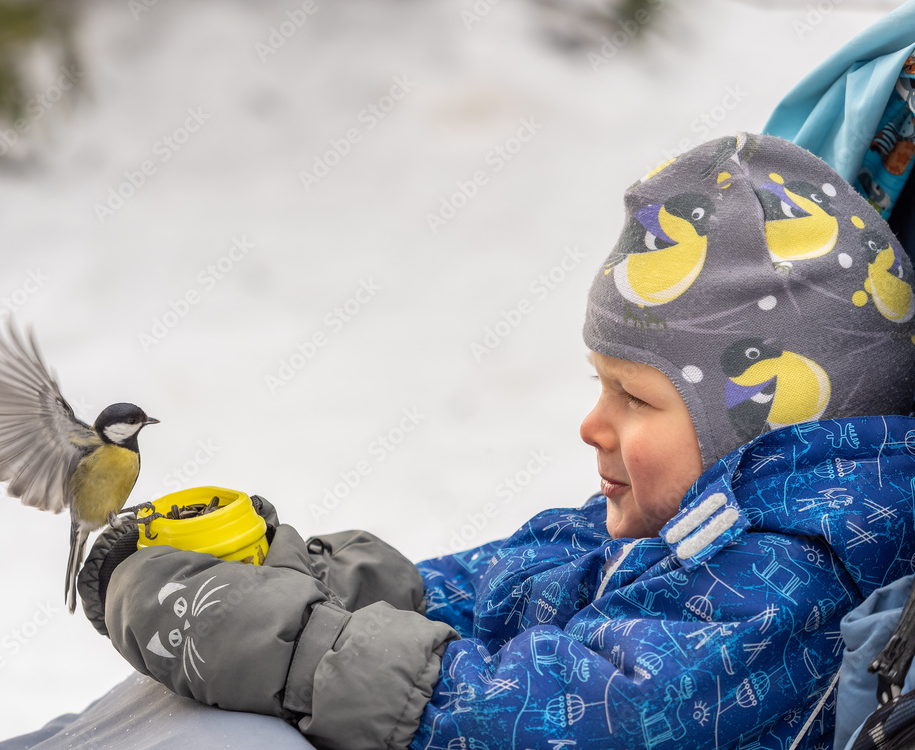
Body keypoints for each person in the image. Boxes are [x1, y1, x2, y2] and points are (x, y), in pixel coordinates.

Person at [66, 132, 915, 750]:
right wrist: (299, 575)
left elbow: (562, 720)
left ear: (759, 415)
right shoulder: (689, 520)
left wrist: (294, 648)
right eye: (598, 384)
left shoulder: (797, 571)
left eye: (633, 396)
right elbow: (501, 585)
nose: (593, 424)